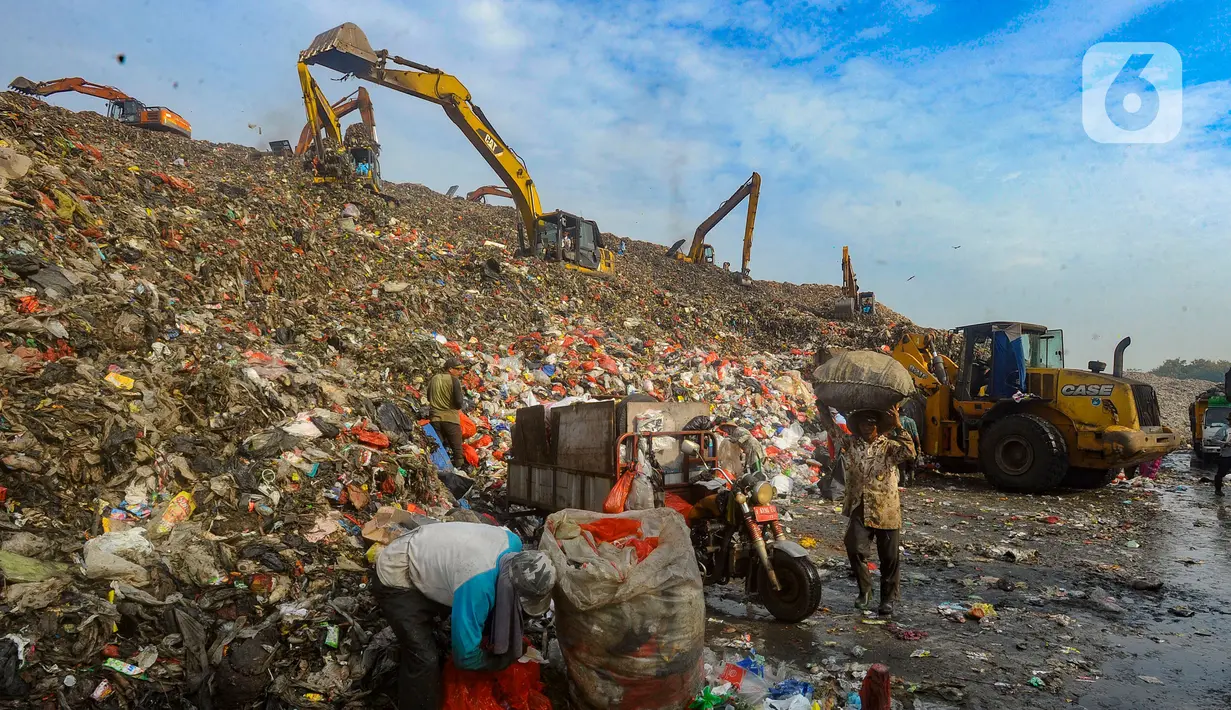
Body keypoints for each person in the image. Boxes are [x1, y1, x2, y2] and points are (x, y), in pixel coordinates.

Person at [372, 522, 556, 710]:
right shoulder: (478, 587)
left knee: (479, 620)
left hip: (431, 555)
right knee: (424, 660)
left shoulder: (513, 544)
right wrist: (498, 661)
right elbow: (465, 657)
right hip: (398, 573)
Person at [814, 401, 916, 617]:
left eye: (871, 423)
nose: (866, 426)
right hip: (860, 504)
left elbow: (910, 452)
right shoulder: (851, 444)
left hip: (886, 507)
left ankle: (887, 600)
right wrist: (823, 409)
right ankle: (865, 590)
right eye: (862, 423)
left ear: (878, 425)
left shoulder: (888, 446)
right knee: (854, 546)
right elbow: (832, 431)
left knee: (889, 557)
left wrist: (898, 425)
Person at [429, 358, 469, 471]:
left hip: (434, 417)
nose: (460, 372)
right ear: (450, 369)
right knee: (457, 447)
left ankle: (436, 469)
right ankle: (459, 470)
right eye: (458, 369)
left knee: (437, 445)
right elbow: (458, 402)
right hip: (450, 418)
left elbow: (428, 397)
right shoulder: (454, 381)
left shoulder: (434, 379)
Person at [898, 408, 922, 486]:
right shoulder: (911, 421)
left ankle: (902, 483)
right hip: (911, 445)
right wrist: (918, 446)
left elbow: (893, 435)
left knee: (902, 465)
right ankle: (910, 482)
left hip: (900, 445)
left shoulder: (897, 421)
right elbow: (916, 435)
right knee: (911, 465)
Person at [1216, 412, 1231, 496]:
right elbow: (1215, 439)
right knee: (1221, 473)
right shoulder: (1224, 429)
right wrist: (1225, 443)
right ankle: (1218, 490)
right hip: (1226, 455)